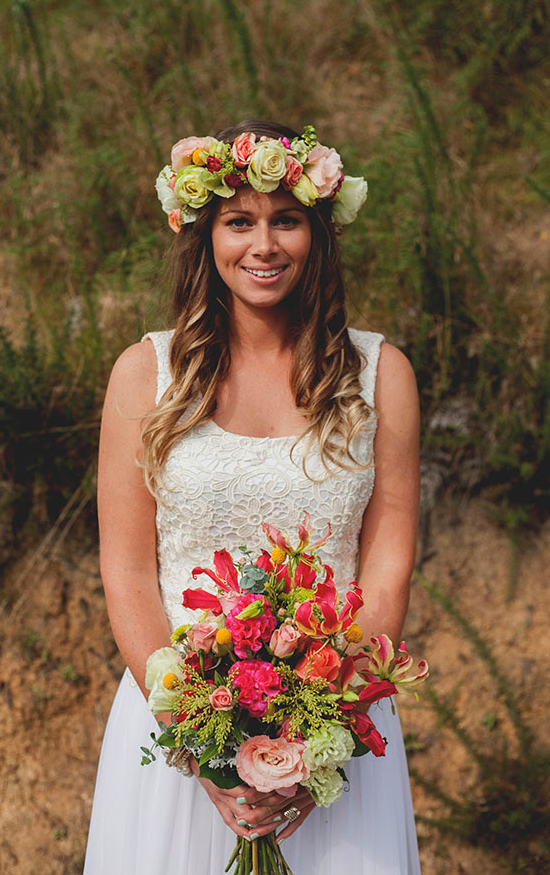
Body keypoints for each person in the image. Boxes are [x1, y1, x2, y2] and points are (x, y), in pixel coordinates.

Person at [83, 120, 421, 874]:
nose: (263, 246)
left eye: (287, 220)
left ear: (319, 232)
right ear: (206, 234)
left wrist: (317, 737)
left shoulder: (380, 374)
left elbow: (388, 566)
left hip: (337, 737)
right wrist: (204, 747)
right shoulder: (145, 377)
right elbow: (129, 573)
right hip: (179, 738)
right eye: (239, 222)